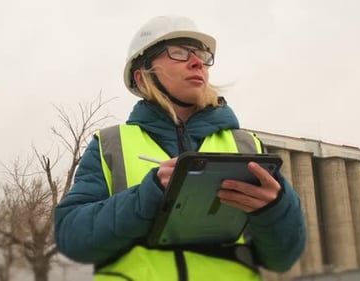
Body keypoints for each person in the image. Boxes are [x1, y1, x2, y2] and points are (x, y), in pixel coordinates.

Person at [54, 15, 306, 281]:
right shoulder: (109, 145)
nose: (197, 62)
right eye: (179, 52)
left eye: (201, 55)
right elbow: (73, 236)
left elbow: (281, 258)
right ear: (142, 76)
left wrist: (276, 208)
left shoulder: (247, 145)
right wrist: (148, 195)